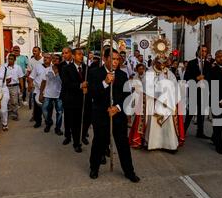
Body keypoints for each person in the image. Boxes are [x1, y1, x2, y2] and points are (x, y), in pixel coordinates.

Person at [88, 46, 140, 182]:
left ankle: (129, 171)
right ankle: (94, 168)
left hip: (118, 115)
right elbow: (93, 94)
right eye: (113, 59)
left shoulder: (122, 75)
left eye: (118, 59)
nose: (116, 62)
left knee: (122, 144)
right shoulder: (95, 73)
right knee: (99, 142)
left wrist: (117, 107)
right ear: (105, 59)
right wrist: (105, 82)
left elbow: (127, 96)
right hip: (101, 114)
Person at [129, 56, 185, 151]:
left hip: (166, 103)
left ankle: (169, 145)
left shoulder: (169, 73)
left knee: (168, 124)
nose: (162, 65)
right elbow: (147, 87)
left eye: (164, 62)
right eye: (159, 62)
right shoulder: (150, 73)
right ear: (155, 62)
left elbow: (174, 86)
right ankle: (152, 143)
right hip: (153, 103)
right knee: (153, 123)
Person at [61, 48, 92, 152]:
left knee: (87, 120)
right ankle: (76, 143)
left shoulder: (86, 68)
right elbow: (66, 84)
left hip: (85, 99)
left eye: (82, 54)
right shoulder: (66, 69)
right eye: (79, 54)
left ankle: (82, 136)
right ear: (73, 56)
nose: (81, 56)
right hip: (73, 100)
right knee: (75, 123)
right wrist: (80, 85)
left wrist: (88, 87)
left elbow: (90, 81)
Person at [184, 45, 212, 138]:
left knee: (201, 112)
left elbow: (210, 77)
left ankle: (200, 132)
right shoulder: (191, 63)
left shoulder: (208, 64)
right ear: (198, 51)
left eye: (205, 51)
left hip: (203, 91)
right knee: (191, 111)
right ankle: (183, 130)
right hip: (193, 89)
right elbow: (186, 77)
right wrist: (196, 78)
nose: (203, 53)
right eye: (202, 51)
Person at [39, 54, 63, 135]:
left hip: (59, 95)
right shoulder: (47, 70)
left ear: (60, 60)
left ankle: (58, 128)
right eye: (54, 58)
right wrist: (40, 94)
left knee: (59, 112)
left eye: (57, 59)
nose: (55, 60)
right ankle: (48, 123)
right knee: (45, 110)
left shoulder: (63, 70)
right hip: (47, 94)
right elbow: (43, 82)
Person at [28, 53, 50, 129]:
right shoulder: (38, 67)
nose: (45, 58)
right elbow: (31, 77)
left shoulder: (53, 68)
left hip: (48, 92)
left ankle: (48, 121)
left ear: (51, 59)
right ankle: (38, 122)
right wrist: (30, 84)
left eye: (47, 57)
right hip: (37, 91)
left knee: (48, 109)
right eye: (44, 57)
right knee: (37, 109)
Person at [59, 47, 73, 144]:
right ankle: (67, 136)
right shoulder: (61, 66)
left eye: (66, 53)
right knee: (67, 117)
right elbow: (64, 80)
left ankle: (82, 135)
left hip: (78, 95)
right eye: (63, 53)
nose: (64, 55)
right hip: (67, 94)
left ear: (71, 53)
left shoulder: (79, 64)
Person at [6, 53, 24, 121]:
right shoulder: (4, 66)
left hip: (14, 86)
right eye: (9, 59)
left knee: (14, 102)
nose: (10, 60)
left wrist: (22, 88)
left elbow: (20, 78)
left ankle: (15, 115)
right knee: (6, 101)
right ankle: (6, 114)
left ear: (14, 60)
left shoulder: (18, 67)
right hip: (6, 86)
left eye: (11, 59)